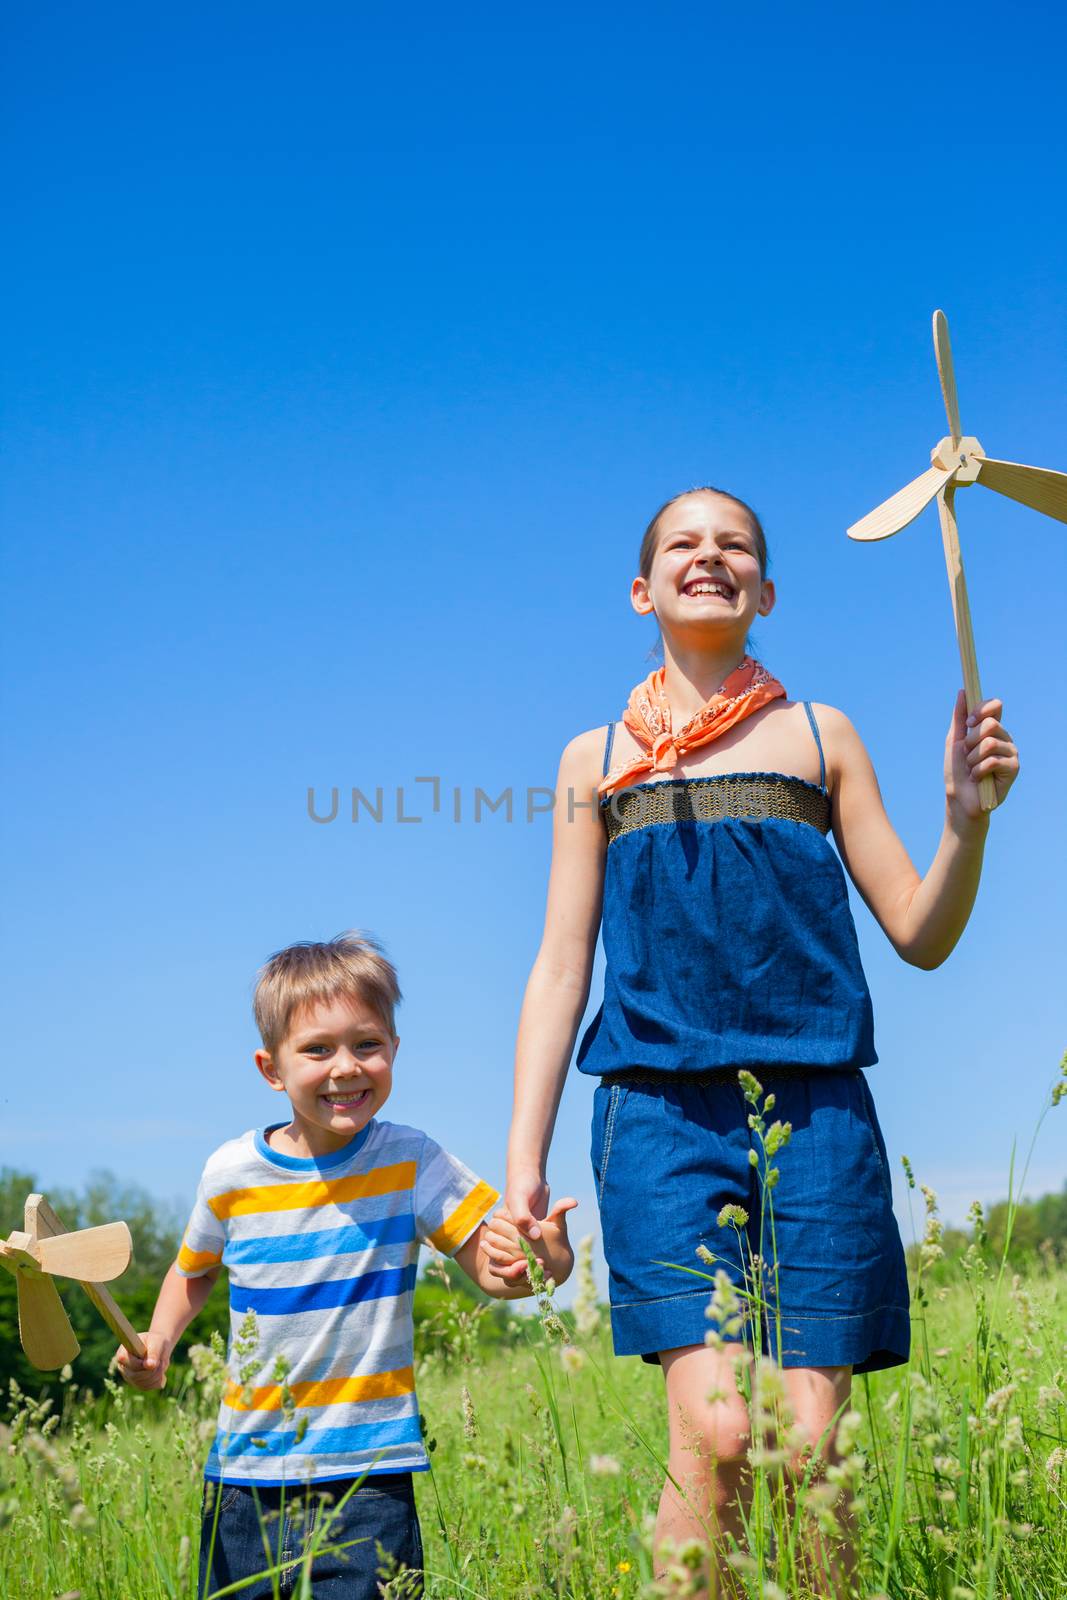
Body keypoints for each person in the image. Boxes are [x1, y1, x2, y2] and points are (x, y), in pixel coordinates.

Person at [489, 485, 1019, 1586]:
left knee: (807, 1444)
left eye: (733, 545)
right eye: (682, 543)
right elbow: (557, 965)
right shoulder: (594, 759)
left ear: (765, 590)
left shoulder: (819, 737)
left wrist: (963, 825)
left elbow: (919, 933)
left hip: (817, 1110)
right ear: (642, 589)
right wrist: (520, 1172)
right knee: (721, 1431)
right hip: (654, 1113)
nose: (708, 555)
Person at [117, 932, 574, 1600]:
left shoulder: (412, 1160)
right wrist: (159, 1341)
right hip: (248, 1476)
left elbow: (496, 1272)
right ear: (271, 1068)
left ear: (393, 1050)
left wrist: (546, 1258)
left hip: (369, 1476)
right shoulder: (230, 1172)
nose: (346, 1067)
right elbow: (194, 1270)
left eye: (366, 1044)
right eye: (316, 1050)